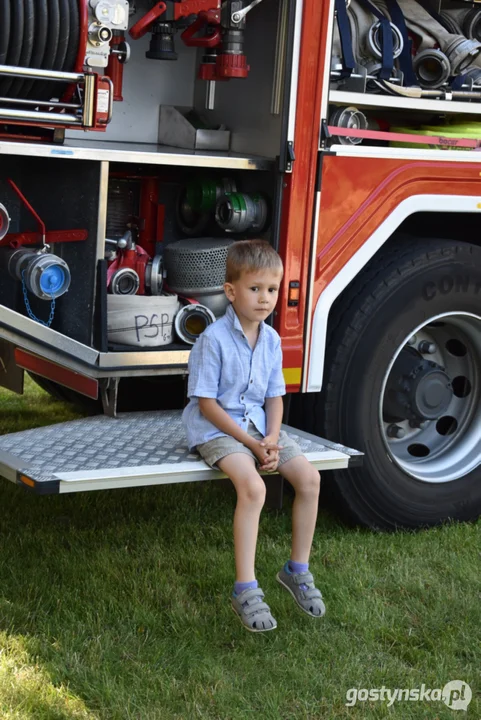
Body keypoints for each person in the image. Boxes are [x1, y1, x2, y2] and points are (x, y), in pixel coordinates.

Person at [182, 239, 325, 632]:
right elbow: (207, 404)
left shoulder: (273, 340)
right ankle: (244, 588)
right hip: (218, 428)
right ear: (231, 291)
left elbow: (274, 397)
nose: (265, 299)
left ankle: (297, 570)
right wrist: (251, 444)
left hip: (261, 428)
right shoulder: (213, 340)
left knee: (310, 480)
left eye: (273, 290)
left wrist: (273, 439)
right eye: (255, 289)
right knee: (254, 488)